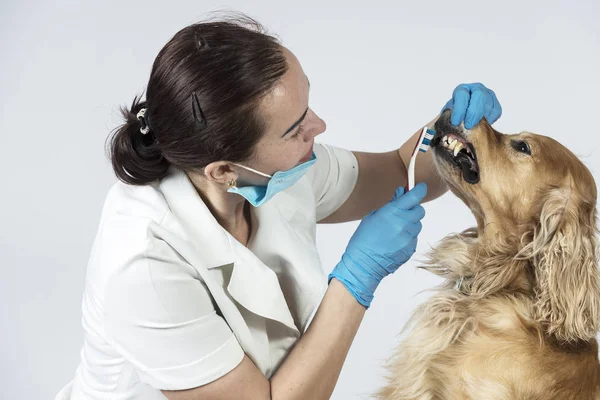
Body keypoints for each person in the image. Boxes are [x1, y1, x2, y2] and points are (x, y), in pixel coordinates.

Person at [55, 13, 502, 400]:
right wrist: (356, 278)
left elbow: (402, 169)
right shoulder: (141, 262)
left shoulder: (275, 171)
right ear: (224, 171)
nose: (320, 126)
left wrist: (450, 132)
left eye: (307, 103)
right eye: (295, 129)